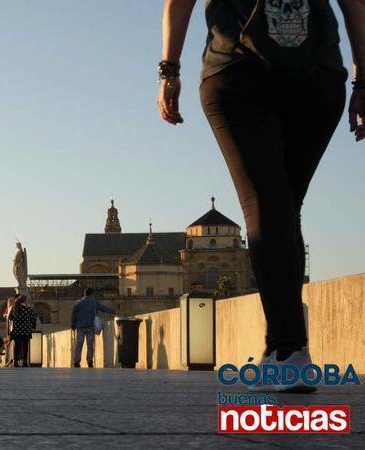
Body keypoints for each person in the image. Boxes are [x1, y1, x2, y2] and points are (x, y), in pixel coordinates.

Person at [158, 0, 364, 392]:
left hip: (237, 67)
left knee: (268, 207)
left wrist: (169, 70)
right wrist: (363, 81)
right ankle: (283, 347)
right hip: (317, 73)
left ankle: (288, 351)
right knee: (284, 208)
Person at [71, 288, 115, 368]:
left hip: (80, 327)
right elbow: (103, 308)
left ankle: (76, 362)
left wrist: (73, 324)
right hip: (90, 326)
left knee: (79, 344)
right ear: (91, 293)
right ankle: (90, 361)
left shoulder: (78, 303)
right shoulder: (94, 302)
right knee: (90, 345)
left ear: (85, 294)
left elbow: (73, 314)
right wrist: (113, 311)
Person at [7, 294, 37, 367]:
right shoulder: (28, 309)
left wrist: (17, 320)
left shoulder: (14, 308)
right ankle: (24, 362)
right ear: (25, 301)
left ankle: (15, 362)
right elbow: (33, 318)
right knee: (25, 346)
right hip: (26, 330)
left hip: (17, 330)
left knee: (17, 346)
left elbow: (10, 317)